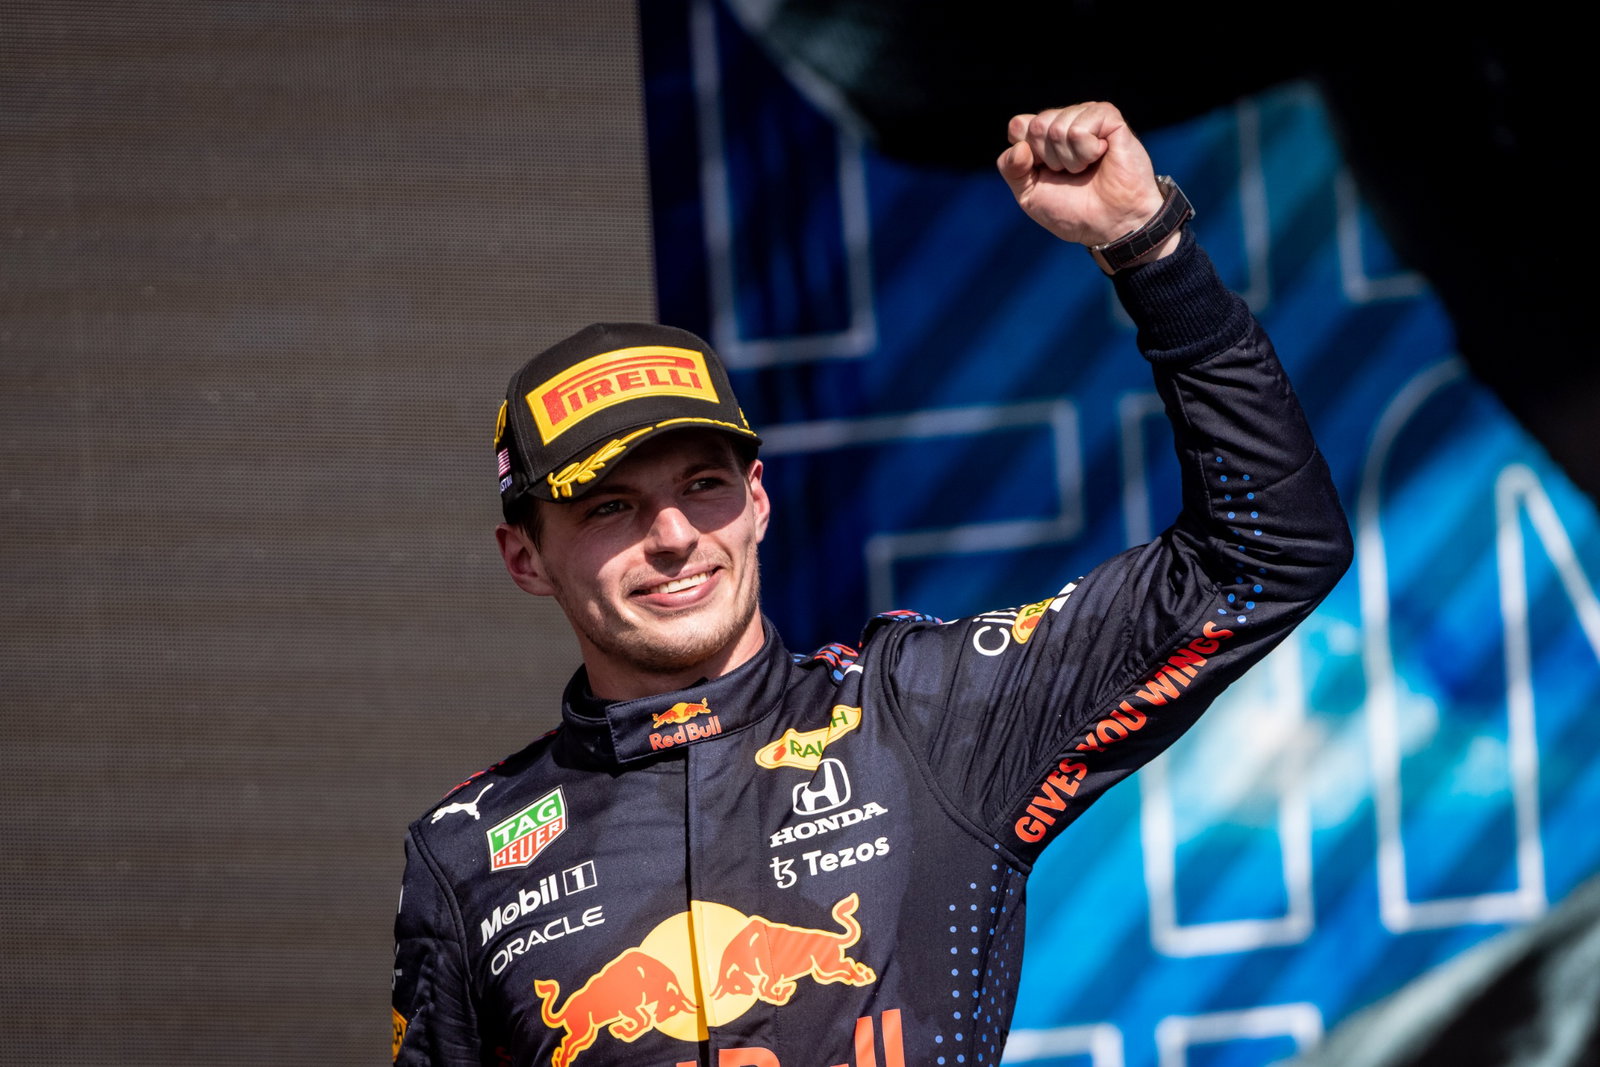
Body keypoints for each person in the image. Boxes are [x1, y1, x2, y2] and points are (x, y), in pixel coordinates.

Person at [391, 102, 1352, 1067]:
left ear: (758, 500)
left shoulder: (924, 716)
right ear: (524, 557)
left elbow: (1269, 550)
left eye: (703, 486)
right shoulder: (466, 854)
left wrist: (1150, 248)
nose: (675, 536)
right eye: (610, 507)